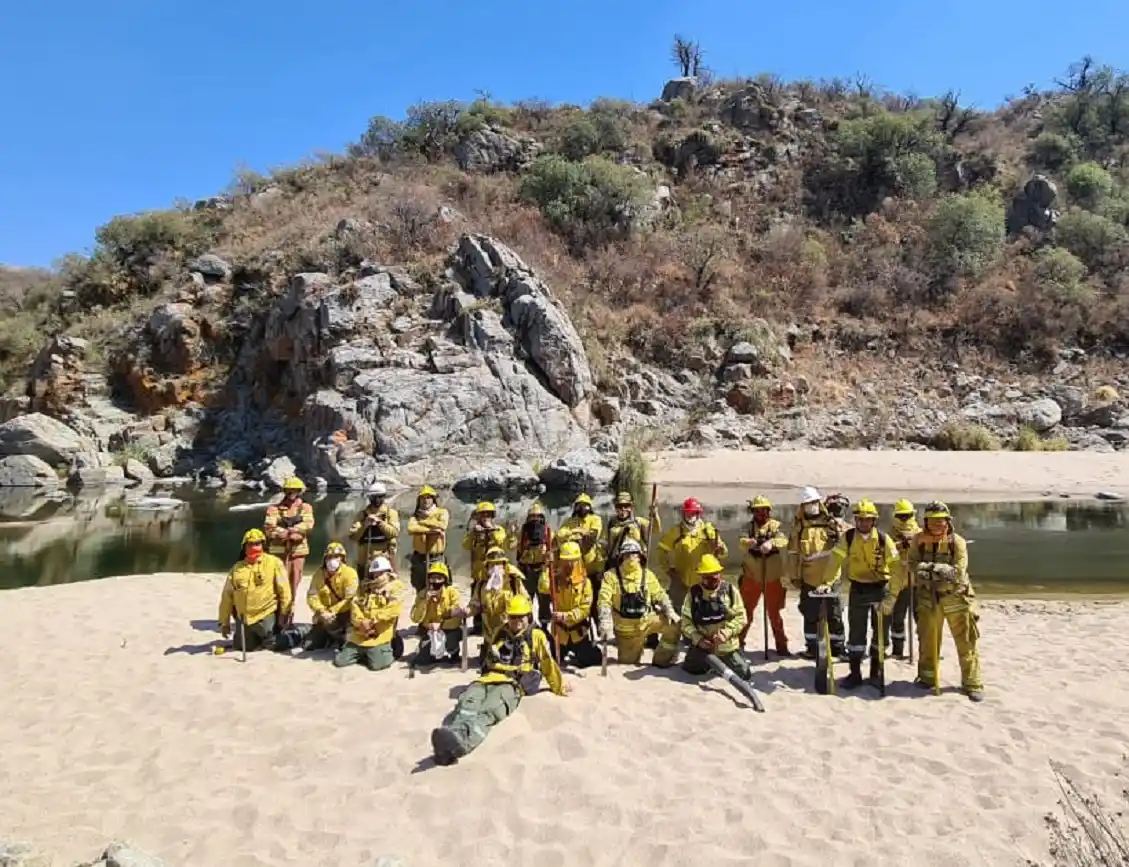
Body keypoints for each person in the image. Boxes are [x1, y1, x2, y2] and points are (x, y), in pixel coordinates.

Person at [430, 595, 568, 766]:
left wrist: (560, 686)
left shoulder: (536, 636)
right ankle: (451, 737)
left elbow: (547, 663)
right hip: (487, 678)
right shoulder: (500, 632)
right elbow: (489, 658)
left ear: (529, 617)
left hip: (511, 685)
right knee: (466, 704)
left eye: (520, 617)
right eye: (512, 617)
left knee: (488, 711)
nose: (516, 621)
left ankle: (460, 747)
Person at [891, 500, 984, 702]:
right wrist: (933, 569)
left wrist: (932, 569)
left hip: (956, 597)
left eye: (941, 521)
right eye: (932, 521)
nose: (937, 525)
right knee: (928, 641)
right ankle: (927, 678)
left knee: (967, 641)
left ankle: (972, 683)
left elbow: (958, 572)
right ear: (925, 522)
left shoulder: (956, 542)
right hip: (928, 598)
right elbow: (913, 564)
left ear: (948, 521)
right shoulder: (918, 540)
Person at [821, 498, 899, 690]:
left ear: (874, 521)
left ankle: (875, 672)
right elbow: (835, 562)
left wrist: (893, 597)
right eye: (860, 519)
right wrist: (826, 583)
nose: (863, 523)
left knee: (880, 635)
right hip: (858, 589)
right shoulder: (847, 538)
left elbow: (897, 569)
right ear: (855, 520)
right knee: (856, 634)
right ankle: (855, 673)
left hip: (880, 589)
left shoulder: (883, 540)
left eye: (867, 519)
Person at [596, 539, 680, 666]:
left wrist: (670, 610)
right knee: (627, 663)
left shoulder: (647, 575)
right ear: (621, 557)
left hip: (646, 621)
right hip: (626, 630)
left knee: (675, 624)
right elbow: (604, 600)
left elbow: (660, 594)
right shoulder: (610, 576)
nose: (631, 557)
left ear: (640, 556)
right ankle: (634, 651)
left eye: (634, 554)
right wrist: (605, 621)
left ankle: (662, 660)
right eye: (627, 554)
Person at [788, 487, 847, 660]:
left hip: (831, 577)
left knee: (834, 614)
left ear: (819, 503)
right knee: (810, 613)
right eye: (807, 504)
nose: (811, 507)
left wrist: (838, 532)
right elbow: (793, 554)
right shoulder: (799, 527)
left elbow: (847, 538)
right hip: (809, 577)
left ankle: (838, 648)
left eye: (813, 503)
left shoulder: (831, 522)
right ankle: (812, 648)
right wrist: (794, 576)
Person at [218, 528, 292, 652]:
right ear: (244, 547)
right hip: (245, 618)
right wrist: (224, 622)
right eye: (251, 544)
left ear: (263, 545)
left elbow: (284, 590)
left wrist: (284, 613)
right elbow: (227, 596)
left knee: (273, 644)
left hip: (265, 613)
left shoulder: (274, 563)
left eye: (257, 543)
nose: (254, 547)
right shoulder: (237, 568)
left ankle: (296, 634)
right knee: (242, 647)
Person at [680, 554, 752, 680]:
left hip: (727, 646)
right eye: (706, 577)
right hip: (703, 646)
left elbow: (741, 618)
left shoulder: (730, 590)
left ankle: (725, 661)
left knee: (744, 673)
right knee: (691, 669)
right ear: (701, 577)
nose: (711, 580)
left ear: (720, 573)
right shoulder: (693, 594)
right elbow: (686, 622)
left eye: (714, 576)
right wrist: (698, 639)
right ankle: (708, 663)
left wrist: (726, 633)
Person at [657, 497, 729, 615]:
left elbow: (723, 554)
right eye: (687, 512)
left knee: (704, 613)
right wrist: (668, 570)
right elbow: (661, 550)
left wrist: (719, 548)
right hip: (681, 580)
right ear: (683, 514)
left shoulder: (708, 530)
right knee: (676, 613)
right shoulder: (676, 531)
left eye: (693, 512)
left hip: (704, 581)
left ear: (698, 514)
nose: (690, 515)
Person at [738, 495, 791, 657]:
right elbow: (741, 541)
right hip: (751, 576)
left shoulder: (776, 526)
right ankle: (738, 643)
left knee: (774, 614)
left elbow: (784, 540)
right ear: (752, 512)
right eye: (757, 511)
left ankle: (781, 645)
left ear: (769, 511)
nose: (760, 513)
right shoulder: (747, 527)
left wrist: (771, 543)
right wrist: (750, 543)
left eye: (763, 510)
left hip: (772, 577)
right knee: (745, 612)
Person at [333, 556, 404, 672]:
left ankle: (388, 649)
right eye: (374, 574)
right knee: (340, 661)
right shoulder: (364, 587)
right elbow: (355, 606)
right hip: (360, 634)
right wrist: (361, 622)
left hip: (379, 635)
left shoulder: (396, 587)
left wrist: (373, 621)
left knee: (376, 665)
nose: (377, 576)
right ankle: (365, 654)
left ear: (388, 573)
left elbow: (393, 610)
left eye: (380, 573)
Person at [540, 541, 603, 668]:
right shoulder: (555, 580)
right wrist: (547, 567)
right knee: (549, 659)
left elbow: (584, 610)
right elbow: (543, 587)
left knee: (595, 658)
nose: (569, 565)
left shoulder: (585, 583)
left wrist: (565, 616)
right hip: (559, 633)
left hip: (577, 633)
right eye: (565, 561)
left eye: (573, 561)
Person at [263, 477, 315, 626]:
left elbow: (308, 524)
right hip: (278, 555)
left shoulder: (305, 508)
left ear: (299, 492)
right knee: (277, 586)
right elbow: (269, 528)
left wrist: (295, 531)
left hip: (297, 553)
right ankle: (276, 618)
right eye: (289, 491)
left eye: (295, 491)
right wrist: (283, 533)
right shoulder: (274, 509)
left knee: (293, 586)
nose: (292, 493)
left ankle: (288, 618)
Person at [302, 541, 359, 651]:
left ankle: (342, 636)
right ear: (325, 559)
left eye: (337, 556)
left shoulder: (350, 573)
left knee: (346, 644)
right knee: (309, 645)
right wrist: (321, 610)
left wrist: (332, 611)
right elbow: (312, 596)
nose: (333, 560)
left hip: (345, 614)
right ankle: (330, 637)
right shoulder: (319, 574)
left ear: (342, 558)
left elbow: (350, 598)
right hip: (324, 615)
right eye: (330, 557)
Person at [462, 501, 508, 636]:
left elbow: (500, 540)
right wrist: (473, 534)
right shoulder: (474, 532)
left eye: (488, 514)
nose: (485, 516)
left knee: (495, 601)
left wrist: (489, 529)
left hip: (494, 574)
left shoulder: (499, 529)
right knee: (477, 600)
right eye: (483, 514)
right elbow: (465, 545)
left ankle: (497, 625)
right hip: (479, 574)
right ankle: (477, 627)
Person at [469, 546, 530, 647]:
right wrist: (467, 611)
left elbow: (526, 602)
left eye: (498, 564)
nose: (495, 568)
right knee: (489, 660)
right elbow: (475, 604)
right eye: (492, 565)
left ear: (504, 565)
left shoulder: (513, 582)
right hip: (489, 634)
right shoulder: (482, 584)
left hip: (510, 633)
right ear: (487, 566)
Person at [410, 562, 465, 667]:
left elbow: (457, 616)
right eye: (432, 578)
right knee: (422, 660)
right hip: (430, 631)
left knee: (452, 640)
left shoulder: (452, 593)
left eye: (439, 578)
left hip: (449, 629)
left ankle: (454, 652)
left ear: (445, 580)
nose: (435, 581)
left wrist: (441, 624)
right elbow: (415, 618)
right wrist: (425, 602)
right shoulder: (422, 594)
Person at [556, 493, 604, 611]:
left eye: (585, 505)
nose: (582, 508)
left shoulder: (595, 519)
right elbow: (560, 535)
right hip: (574, 568)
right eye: (579, 505)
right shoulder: (569, 521)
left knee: (596, 598)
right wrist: (575, 531)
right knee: (578, 598)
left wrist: (576, 534)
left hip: (592, 565)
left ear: (590, 507)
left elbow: (593, 535)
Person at [887, 498, 922, 659]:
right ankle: (897, 650)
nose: (904, 519)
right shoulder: (890, 534)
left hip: (917, 583)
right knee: (898, 617)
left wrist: (914, 543)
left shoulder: (920, 533)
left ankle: (926, 649)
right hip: (899, 582)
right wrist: (899, 544)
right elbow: (885, 551)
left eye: (907, 516)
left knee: (921, 618)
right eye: (901, 516)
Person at [406, 485, 449, 592]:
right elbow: (411, 528)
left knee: (437, 586)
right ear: (419, 500)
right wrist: (430, 531)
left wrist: (423, 522)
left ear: (433, 499)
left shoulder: (442, 512)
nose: (425, 500)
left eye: (428, 497)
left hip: (436, 557)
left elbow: (442, 525)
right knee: (420, 586)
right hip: (420, 557)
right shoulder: (415, 516)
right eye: (423, 498)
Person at [516, 502, 554, 622]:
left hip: (542, 571)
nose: (535, 519)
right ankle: (528, 623)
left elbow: (555, 548)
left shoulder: (548, 532)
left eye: (537, 516)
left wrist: (551, 556)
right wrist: (511, 534)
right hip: (526, 571)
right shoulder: (522, 533)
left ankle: (544, 624)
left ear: (542, 517)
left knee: (544, 600)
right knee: (526, 599)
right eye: (532, 516)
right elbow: (511, 546)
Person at [349, 483, 400, 570]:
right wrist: (365, 525)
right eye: (374, 497)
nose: (377, 500)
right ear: (369, 498)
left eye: (380, 497)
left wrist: (380, 523)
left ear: (384, 497)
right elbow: (353, 536)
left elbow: (394, 533)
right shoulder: (362, 515)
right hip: (365, 559)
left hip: (386, 557)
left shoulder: (391, 513)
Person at [601, 491, 653, 573]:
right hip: (616, 563)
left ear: (631, 507)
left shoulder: (639, 522)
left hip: (635, 562)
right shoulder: (611, 523)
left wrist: (655, 514)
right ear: (615, 507)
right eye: (619, 506)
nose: (623, 509)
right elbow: (605, 544)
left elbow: (655, 529)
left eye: (626, 506)